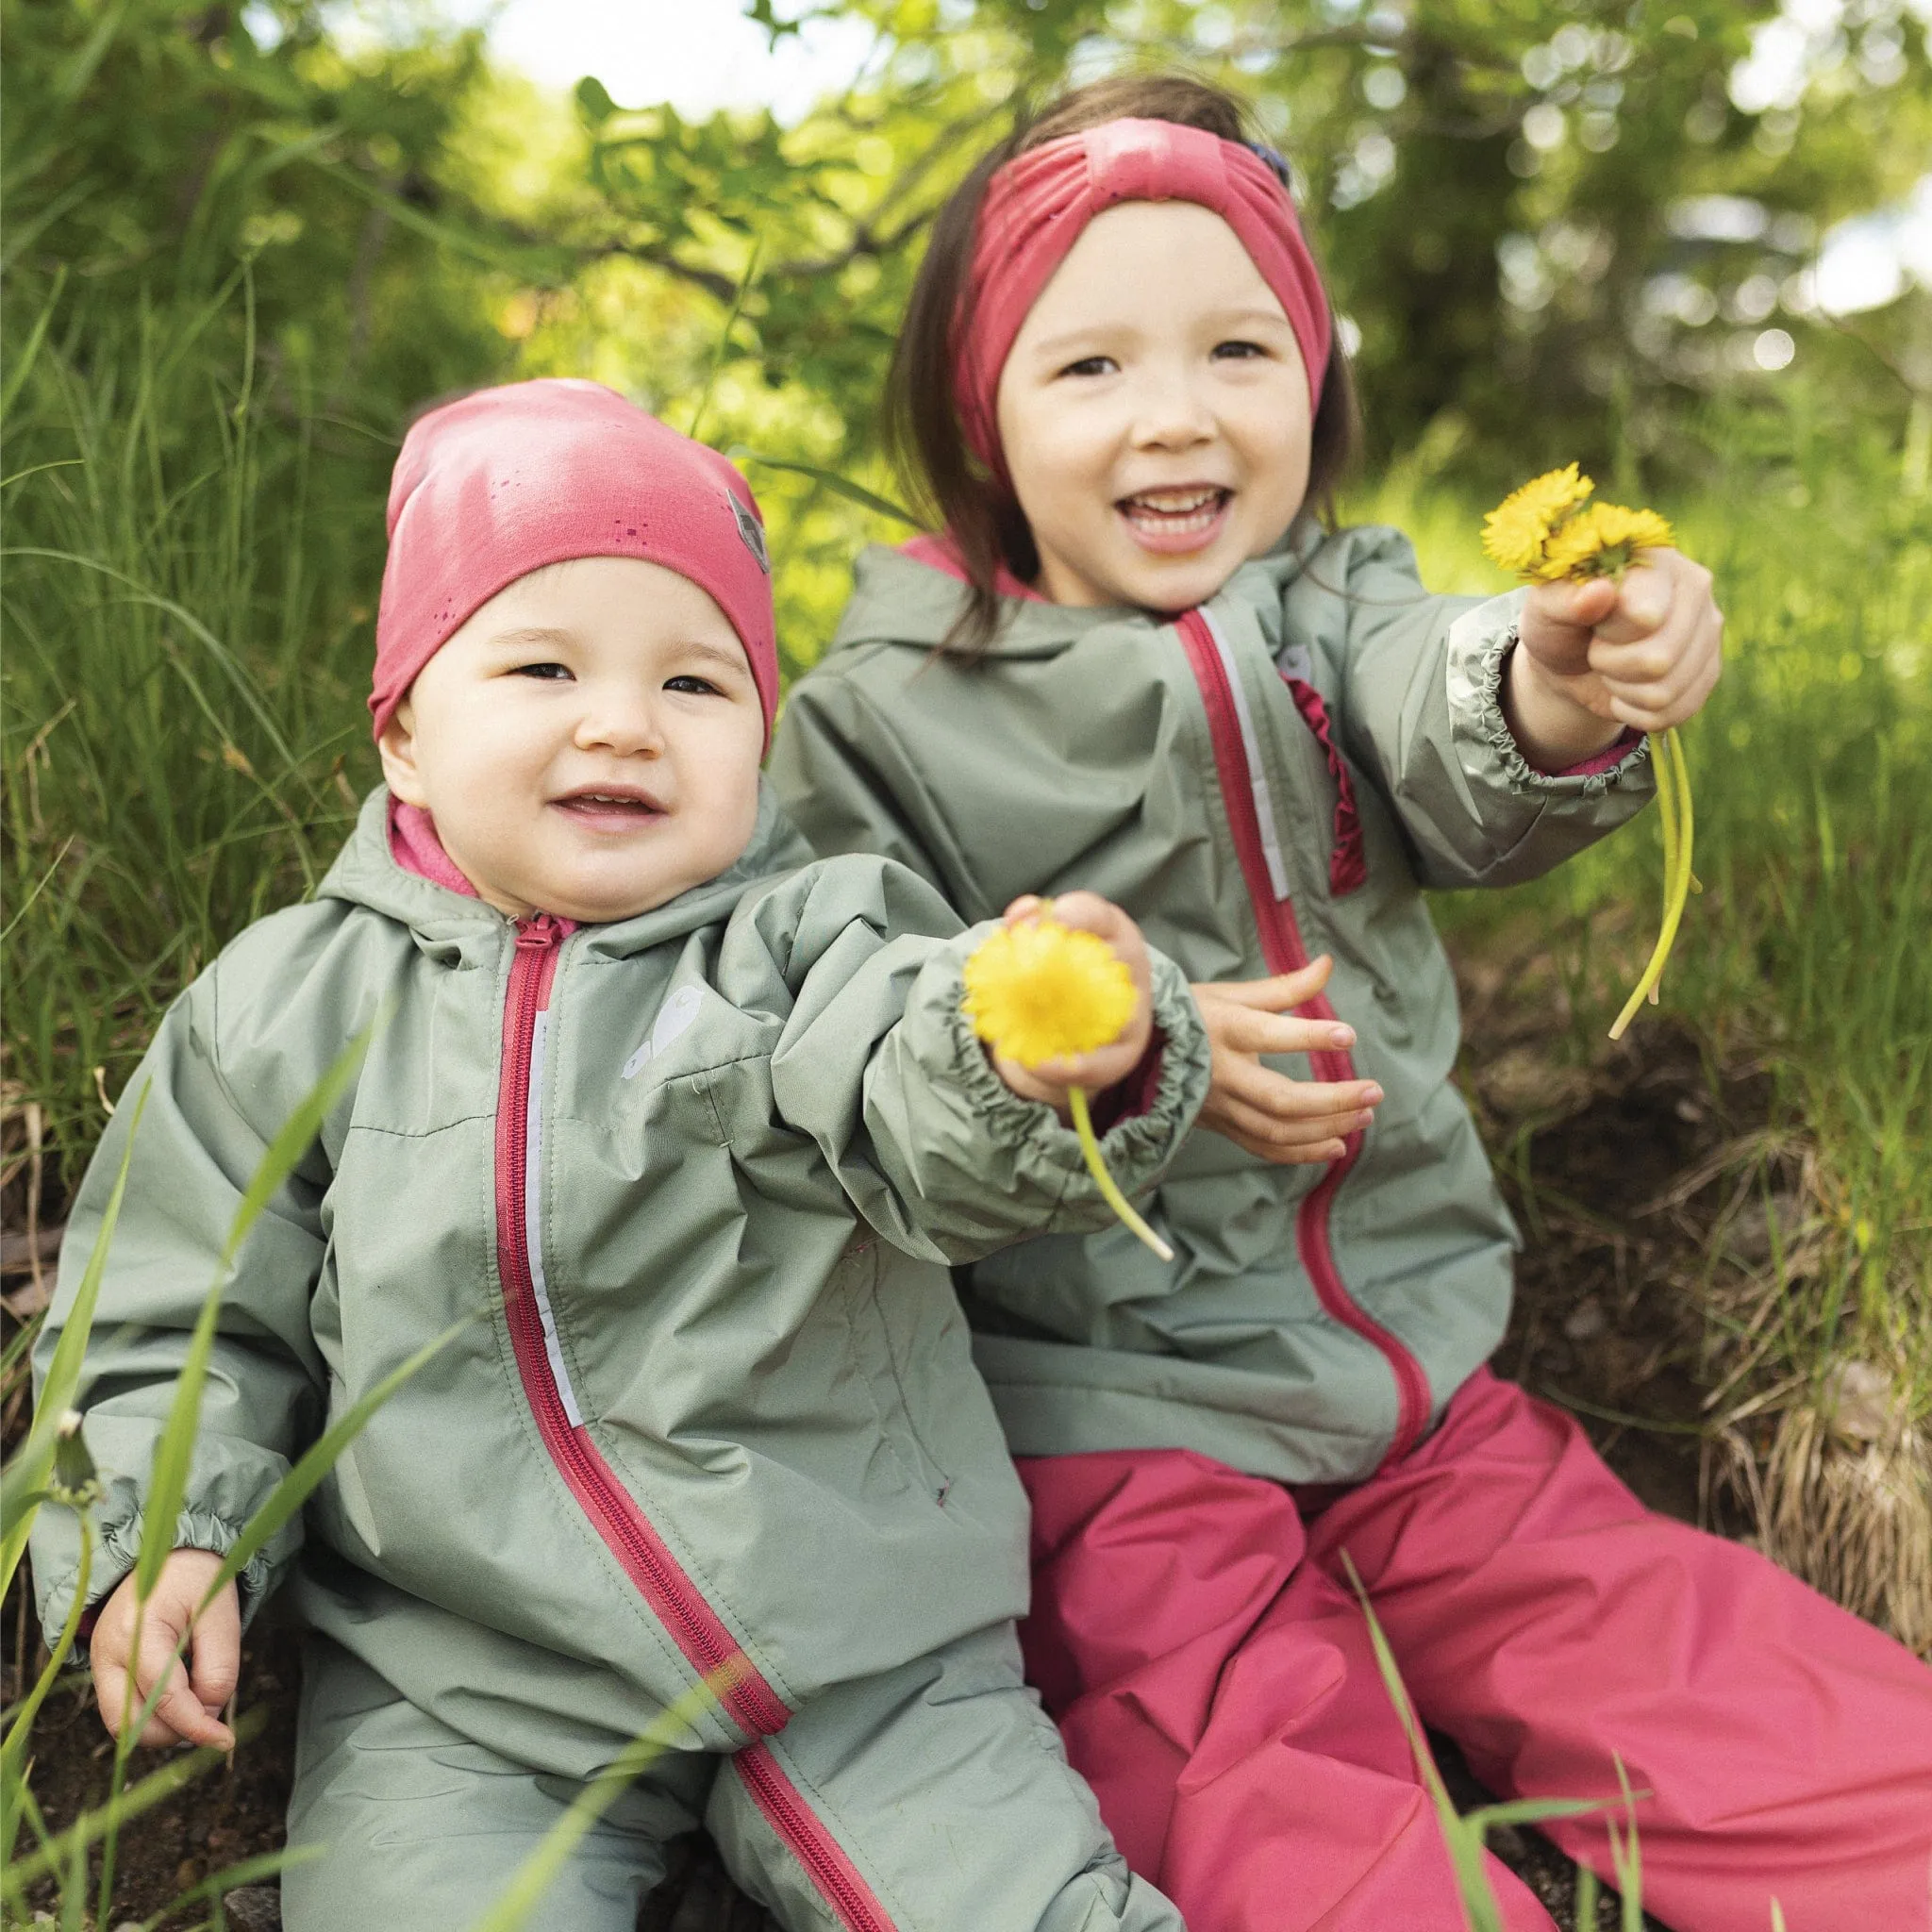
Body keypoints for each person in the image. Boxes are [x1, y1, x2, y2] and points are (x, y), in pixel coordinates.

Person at [769, 75, 1932, 1932]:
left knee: (1725, 1681)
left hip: (1418, 1390)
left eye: (1241, 347)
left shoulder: (1335, 609)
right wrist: (1126, 1062)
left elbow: (1441, 705)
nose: (1177, 413)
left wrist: (1561, 674)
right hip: (1110, 1429)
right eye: (1087, 370)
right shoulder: (880, 719)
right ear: (977, 416)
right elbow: (865, 1048)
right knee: (1266, 1797)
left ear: (1312, 380)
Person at [30, 378, 1212, 1932]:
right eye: (541, 664)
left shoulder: (812, 942)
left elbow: (913, 1094)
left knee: (1020, 1907)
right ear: (402, 734)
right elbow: (179, 1300)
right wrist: (164, 1529)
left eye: (697, 686)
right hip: (464, 1679)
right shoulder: (282, 1008)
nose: (621, 721)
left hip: (859, 1642)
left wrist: (1030, 1052)